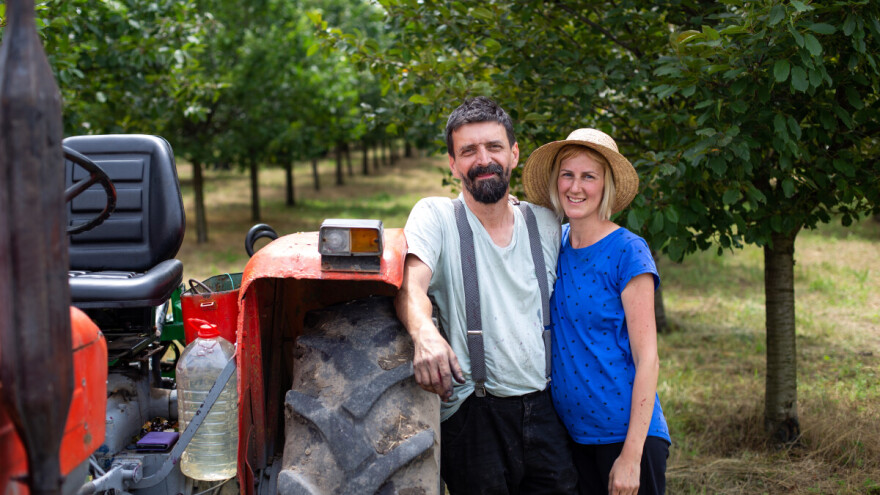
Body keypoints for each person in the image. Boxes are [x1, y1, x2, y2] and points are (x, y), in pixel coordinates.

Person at [395, 96, 578, 494]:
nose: (483, 159)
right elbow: (411, 283)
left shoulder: (545, 222)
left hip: (547, 407)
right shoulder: (436, 217)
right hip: (473, 412)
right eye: (468, 151)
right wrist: (424, 334)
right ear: (452, 163)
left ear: (514, 153)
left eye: (494, 147)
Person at [522, 129, 671, 495]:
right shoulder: (552, 245)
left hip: (625, 435)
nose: (576, 187)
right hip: (572, 437)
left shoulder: (627, 251)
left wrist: (631, 456)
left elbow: (647, 358)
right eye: (568, 175)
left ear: (606, 186)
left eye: (589, 176)